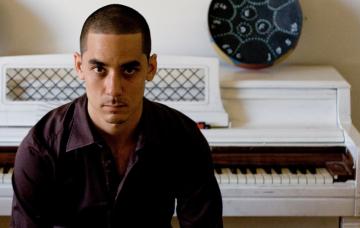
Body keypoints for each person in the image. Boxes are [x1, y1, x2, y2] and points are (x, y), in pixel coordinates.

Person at [11, 4, 223, 228]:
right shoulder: (41, 146)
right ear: (79, 66)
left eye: (129, 70)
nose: (113, 89)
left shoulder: (184, 138)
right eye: (99, 69)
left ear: (151, 68)